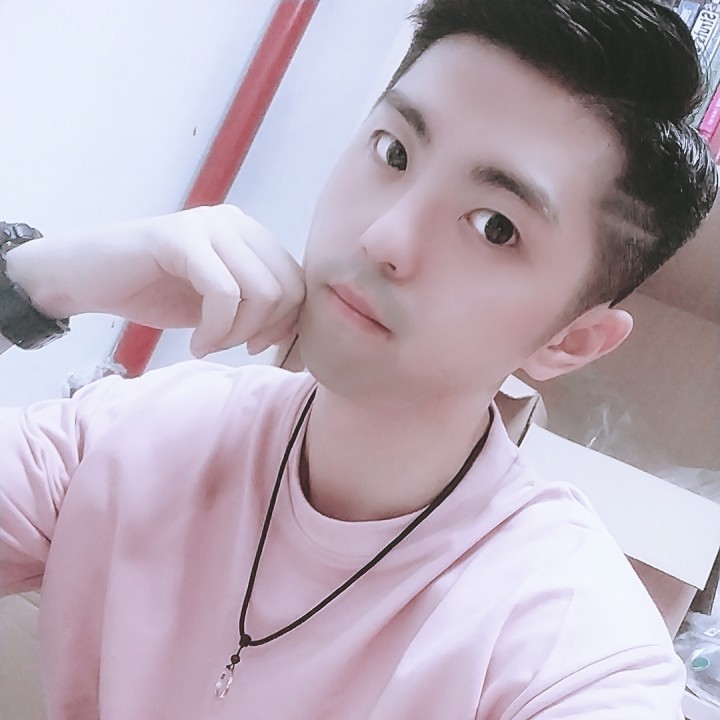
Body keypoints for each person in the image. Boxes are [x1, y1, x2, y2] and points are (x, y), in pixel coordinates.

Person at [1, 0, 717, 717]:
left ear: (571, 340)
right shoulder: (140, 434)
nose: (384, 236)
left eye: (495, 227)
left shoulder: (571, 650)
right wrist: (39, 279)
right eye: (394, 153)